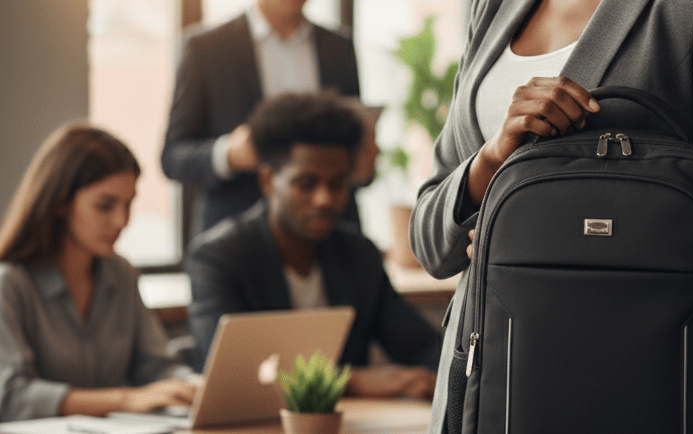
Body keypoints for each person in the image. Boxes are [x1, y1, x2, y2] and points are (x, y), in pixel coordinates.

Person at [408, 0, 693, 431]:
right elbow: (432, 246)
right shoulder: (489, 7)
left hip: (639, 393)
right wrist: (490, 159)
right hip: (482, 397)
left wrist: (561, 238)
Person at [186, 92, 441, 399]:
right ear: (268, 180)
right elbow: (235, 373)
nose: (324, 199)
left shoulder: (358, 254)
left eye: (337, 184)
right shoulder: (219, 257)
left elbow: (423, 346)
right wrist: (351, 381)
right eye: (306, 183)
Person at [0, 124, 197, 421]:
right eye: (105, 206)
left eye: (129, 205)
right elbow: (11, 396)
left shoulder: (121, 274)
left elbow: (156, 367)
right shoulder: (10, 284)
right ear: (60, 204)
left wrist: (193, 385)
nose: (121, 221)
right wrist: (123, 399)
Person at [161, 0, 361, 239]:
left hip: (329, 233)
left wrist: (362, 161)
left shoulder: (339, 45)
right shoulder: (206, 47)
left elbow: (354, 149)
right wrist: (228, 154)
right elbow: (173, 157)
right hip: (235, 238)